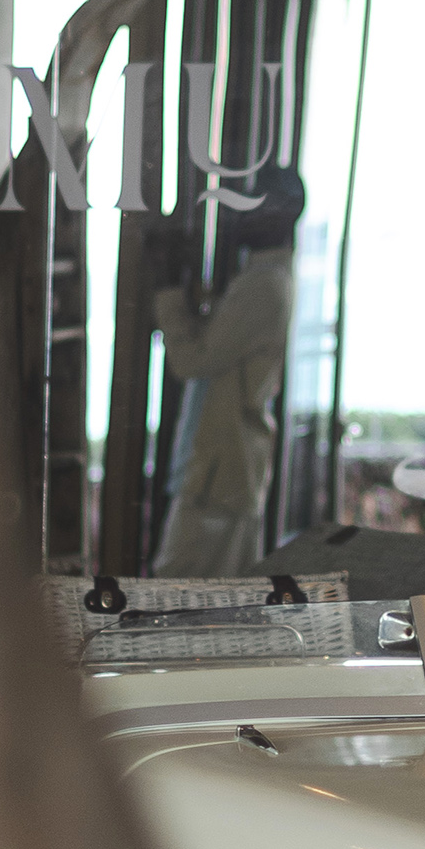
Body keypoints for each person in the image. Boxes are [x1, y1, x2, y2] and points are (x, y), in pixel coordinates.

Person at [151, 172, 304, 576]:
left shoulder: (263, 285)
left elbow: (193, 362)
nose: (240, 217)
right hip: (226, 474)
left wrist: (167, 293)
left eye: (254, 206)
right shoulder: (264, 280)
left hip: (218, 481)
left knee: (176, 597)